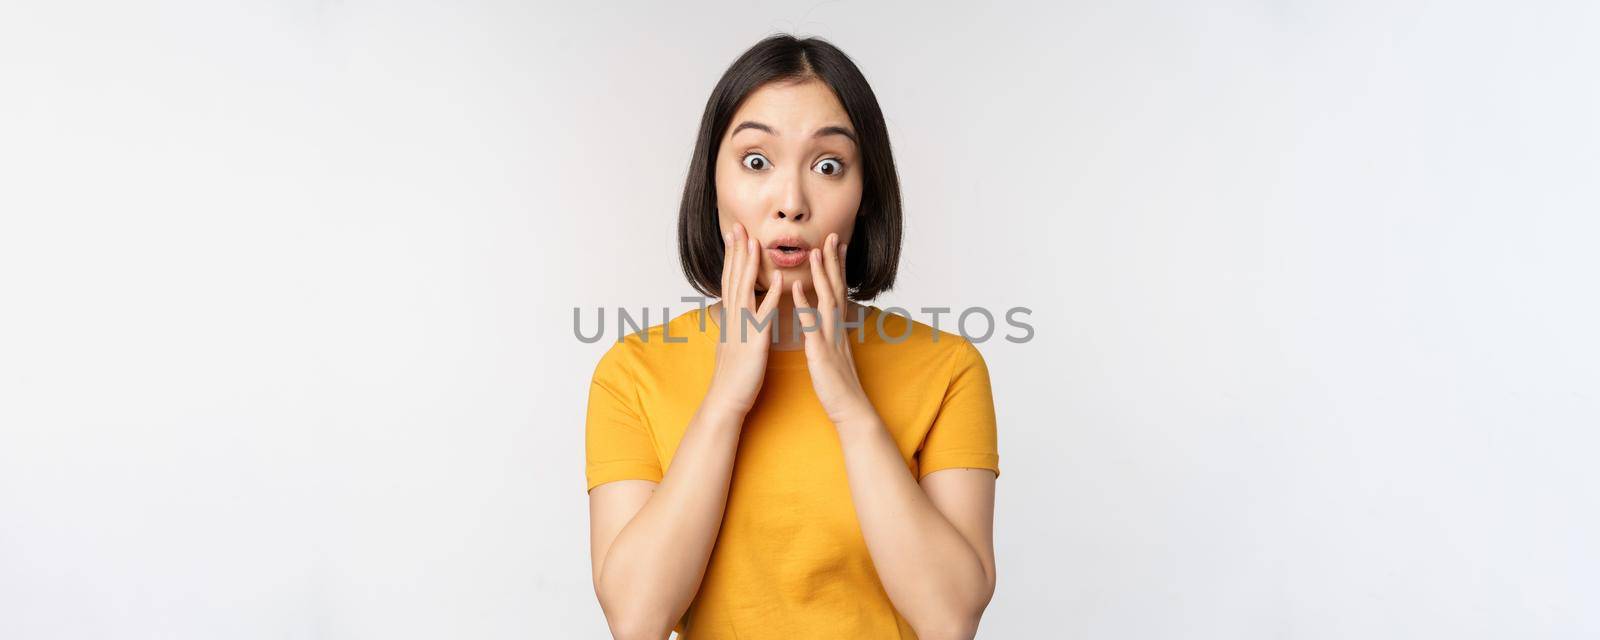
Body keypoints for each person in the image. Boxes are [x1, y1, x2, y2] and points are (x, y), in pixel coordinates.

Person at [585, 34, 1000, 640]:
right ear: (713, 184)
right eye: (757, 161)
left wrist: (849, 405)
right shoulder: (632, 372)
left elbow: (951, 617)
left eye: (828, 166)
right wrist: (725, 400)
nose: (791, 202)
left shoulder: (949, 367)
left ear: (865, 195)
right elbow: (636, 619)